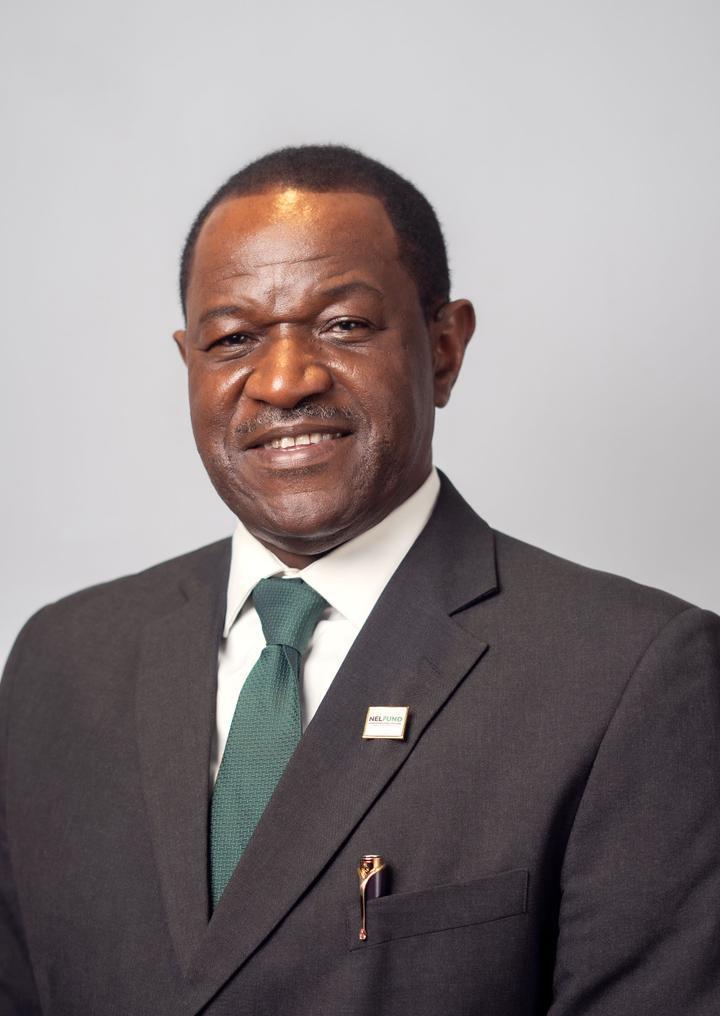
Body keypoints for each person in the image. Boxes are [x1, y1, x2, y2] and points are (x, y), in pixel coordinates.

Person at [1, 145, 718, 1016]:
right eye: (233, 339)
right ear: (188, 361)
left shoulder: (633, 676)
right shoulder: (60, 663)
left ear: (444, 348)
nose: (284, 382)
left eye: (343, 325)